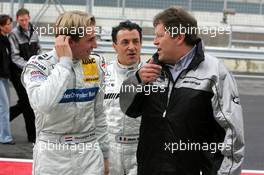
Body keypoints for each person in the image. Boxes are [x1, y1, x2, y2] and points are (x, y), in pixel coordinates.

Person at [119, 7, 245, 175]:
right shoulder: (150, 68)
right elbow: (129, 109)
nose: (155, 42)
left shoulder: (215, 72)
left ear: (178, 37)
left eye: (159, 35)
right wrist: (137, 80)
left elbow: (233, 136)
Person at [21, 11, 109, 175]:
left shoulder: (95, 63)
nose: (95, 45)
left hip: (90, 156)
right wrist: (64, 62)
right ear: (69, 41)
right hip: (52, 158)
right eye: (90, 40)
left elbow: (99, 114)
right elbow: (43, 104)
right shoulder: (40, 65)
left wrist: (105, 155)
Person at [104, 20, 143, 175]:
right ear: (114, 46)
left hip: (140, 149)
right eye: (125, 42)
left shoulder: (155, 76)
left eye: (135, 41)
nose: (131, 47)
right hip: (110, 149)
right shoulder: (102, 74)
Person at [9, 8, 40, 142]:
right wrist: (30, 66)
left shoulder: (34, 31)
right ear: (17, 20)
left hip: (31, 72)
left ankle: (3, 119)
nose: (24, 22)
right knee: (27, 103)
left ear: (29, 17)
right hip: (17, 73)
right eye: (21, 20)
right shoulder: (13, 34)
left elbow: (38, 48)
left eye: (26, 19)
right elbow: (14, 57)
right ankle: (32, 136)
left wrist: (38, 63)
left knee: (24, 102)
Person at [0, 14, 14, 144]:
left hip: (4, 77)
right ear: (1, 26)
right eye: (8, 24)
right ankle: (5, 137)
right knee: (4, 106)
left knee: (4, 106)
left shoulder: (6, 39)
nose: (11, 26)